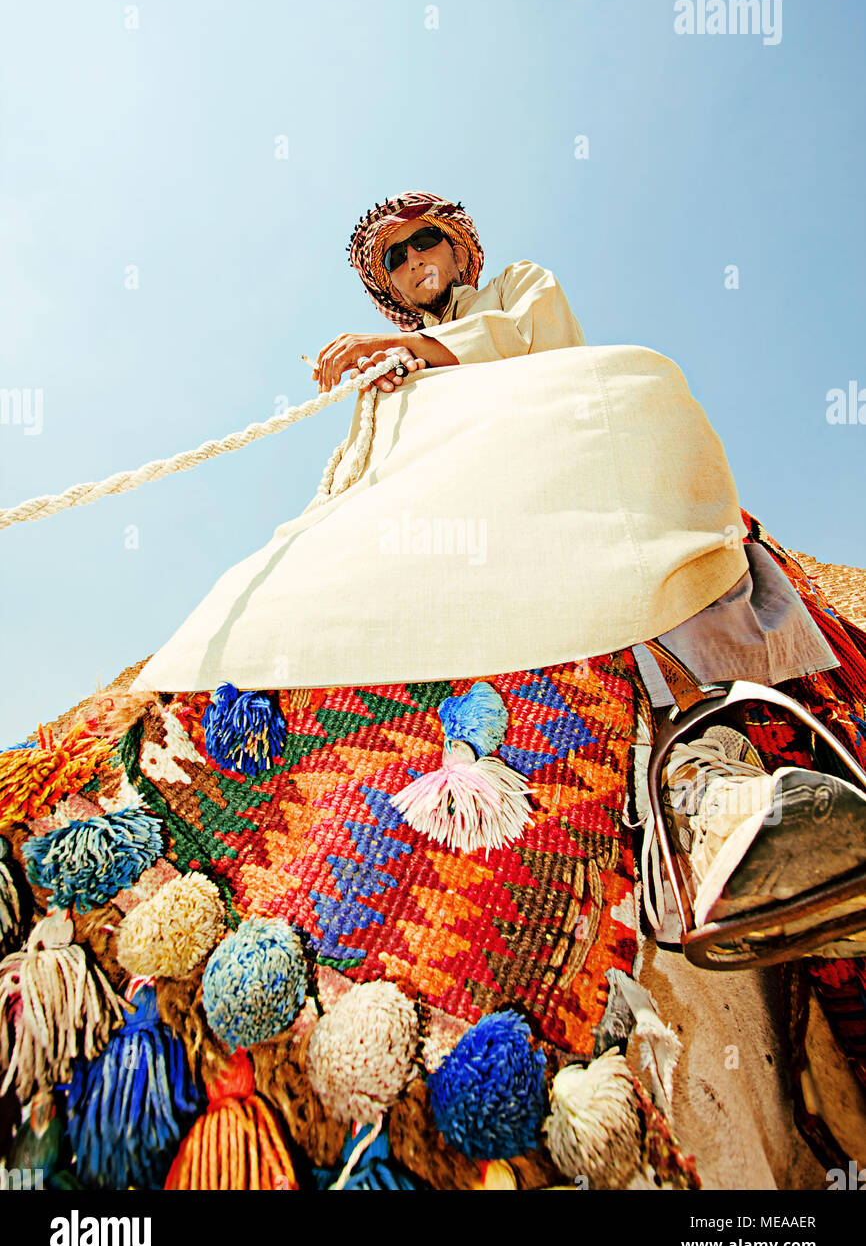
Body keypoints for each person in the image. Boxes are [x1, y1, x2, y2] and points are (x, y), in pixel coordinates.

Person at [309, 189, 866, 944]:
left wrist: (419, 356)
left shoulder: (516, 288)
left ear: (459, 248)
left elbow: (533, 340)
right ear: (389, 288)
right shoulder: (381, 379)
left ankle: (705, 767)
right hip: (449, 523)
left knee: (646, 390)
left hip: (555, 472)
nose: (415, 262)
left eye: (425, 242)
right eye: (395, 259)